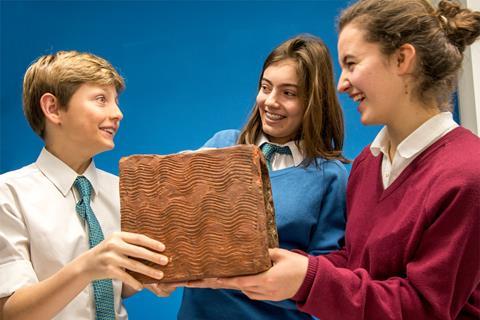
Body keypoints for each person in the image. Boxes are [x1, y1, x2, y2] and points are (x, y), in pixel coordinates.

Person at [186, 0, 480, 319]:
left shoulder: (467, 173)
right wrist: (294, 270)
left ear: (402, 59)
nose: (341, 84)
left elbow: (425, 308)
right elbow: (353, 265)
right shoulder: (368, 164)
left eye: (351, 64)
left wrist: (307, 279)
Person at [178, 35, 349, 319]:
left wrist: (259, 282)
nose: (270, 102)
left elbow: (323, 281)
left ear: (313, 101)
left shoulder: (330, 178)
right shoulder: (221, 145)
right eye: (265, 88)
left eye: (288, 93)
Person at [0, 51, 173, 320]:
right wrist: (87, 267)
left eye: (116, 101)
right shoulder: (9, 194)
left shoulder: (121, 190)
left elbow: (117, 285)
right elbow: (11, 313)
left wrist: (151, 277)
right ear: (53, 108)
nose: (118, 113)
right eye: (101, 99)